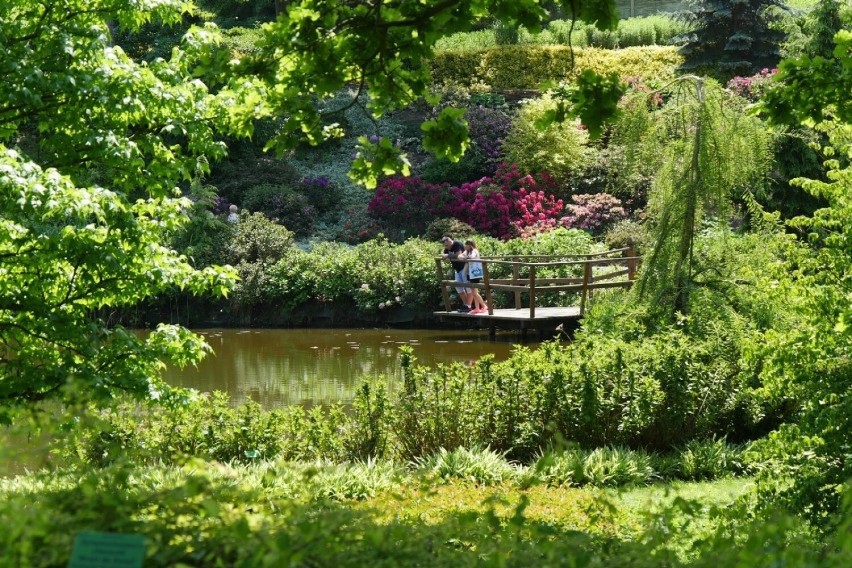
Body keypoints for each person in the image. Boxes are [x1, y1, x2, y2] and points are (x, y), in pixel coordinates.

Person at [441, 236, 472, 312]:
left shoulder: (457, 244)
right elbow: (443, 255)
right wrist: (445, 256)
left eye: (447, 245)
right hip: (457, 269)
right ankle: (465, 305)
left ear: (450, 241)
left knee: (468, 287)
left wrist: (448, 256)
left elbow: (458, 254)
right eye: (445, 246)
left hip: (465, 268)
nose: (446, 247)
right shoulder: (448, 248)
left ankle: (468, 305)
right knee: (458, 287)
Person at [464, 239, 488, 314]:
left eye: (466, 244)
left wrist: (466, 257)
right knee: (474, 291)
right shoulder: (467, 251)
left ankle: (484, 305)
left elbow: (472, 257)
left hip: (475, 273)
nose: (465, 246)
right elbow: (461, 255)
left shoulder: (474, 251)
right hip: (470, 273)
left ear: (470, 245)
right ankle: (477, 308)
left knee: (474, 292)